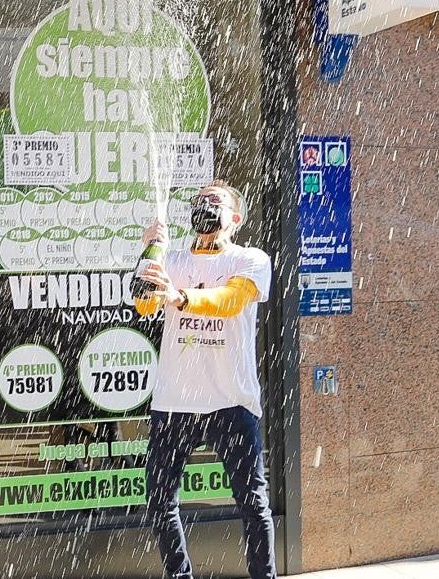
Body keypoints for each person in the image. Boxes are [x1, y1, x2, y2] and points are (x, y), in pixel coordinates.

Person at [132, 180, 277, 579]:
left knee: (253, 503)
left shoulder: (251, 259)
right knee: (160, 502)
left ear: (235, 218)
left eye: (215, 202)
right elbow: (144, 304)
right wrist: (152, 249)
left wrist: (180, 299)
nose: (204, 206)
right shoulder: (172, 260)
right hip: (175, 403)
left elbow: (230, 302)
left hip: (232, 402)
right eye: (199, 202)